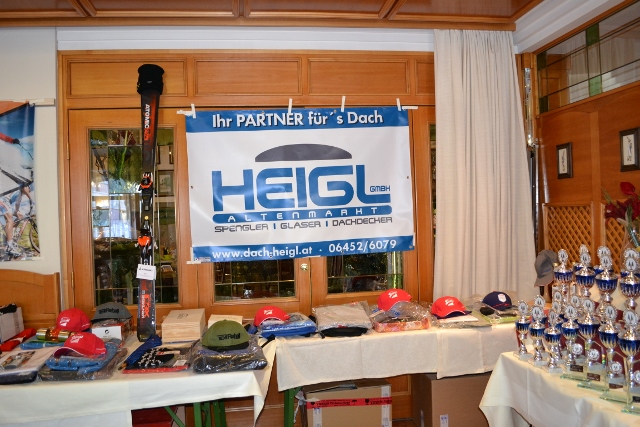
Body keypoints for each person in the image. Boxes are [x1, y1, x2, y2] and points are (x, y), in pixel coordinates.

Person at [0, 132, 33, 257]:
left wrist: (13, 140)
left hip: (6, 195)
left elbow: (3, 137)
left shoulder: (9, 167)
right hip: (1, 196)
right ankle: (10, 246)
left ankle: (9, 237)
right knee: (9, 217)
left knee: (18, 215)